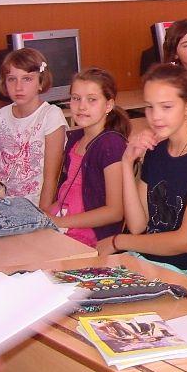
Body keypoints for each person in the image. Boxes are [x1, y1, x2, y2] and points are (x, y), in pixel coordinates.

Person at [109, 64, 187, 275]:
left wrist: (120, 241)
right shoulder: (156, 151)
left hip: (179, 270)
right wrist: (126, 162)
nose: (156, 116)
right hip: (142, 259)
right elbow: (137, 225)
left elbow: (185, 241)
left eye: (166, 107)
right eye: (150, 107)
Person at [49, 68, 130, 249]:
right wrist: (44, 217)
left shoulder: (111, 145)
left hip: (91, 236)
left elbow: (115, 212)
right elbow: (68, 190)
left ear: (108, 105)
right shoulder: (75, 138)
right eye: (76, 98)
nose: (82, 106)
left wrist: (60, 222)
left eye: (92, 100)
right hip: (65, 223)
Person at [0, 48, 67, 210]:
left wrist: (42, 215)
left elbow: (51, 178)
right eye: (12, 79)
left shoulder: (51, 115)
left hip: (34, 204)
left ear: (40, 83)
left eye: (27, 79)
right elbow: (4, 167)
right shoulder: (1, 115)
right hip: (2, 201)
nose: (18, 87)